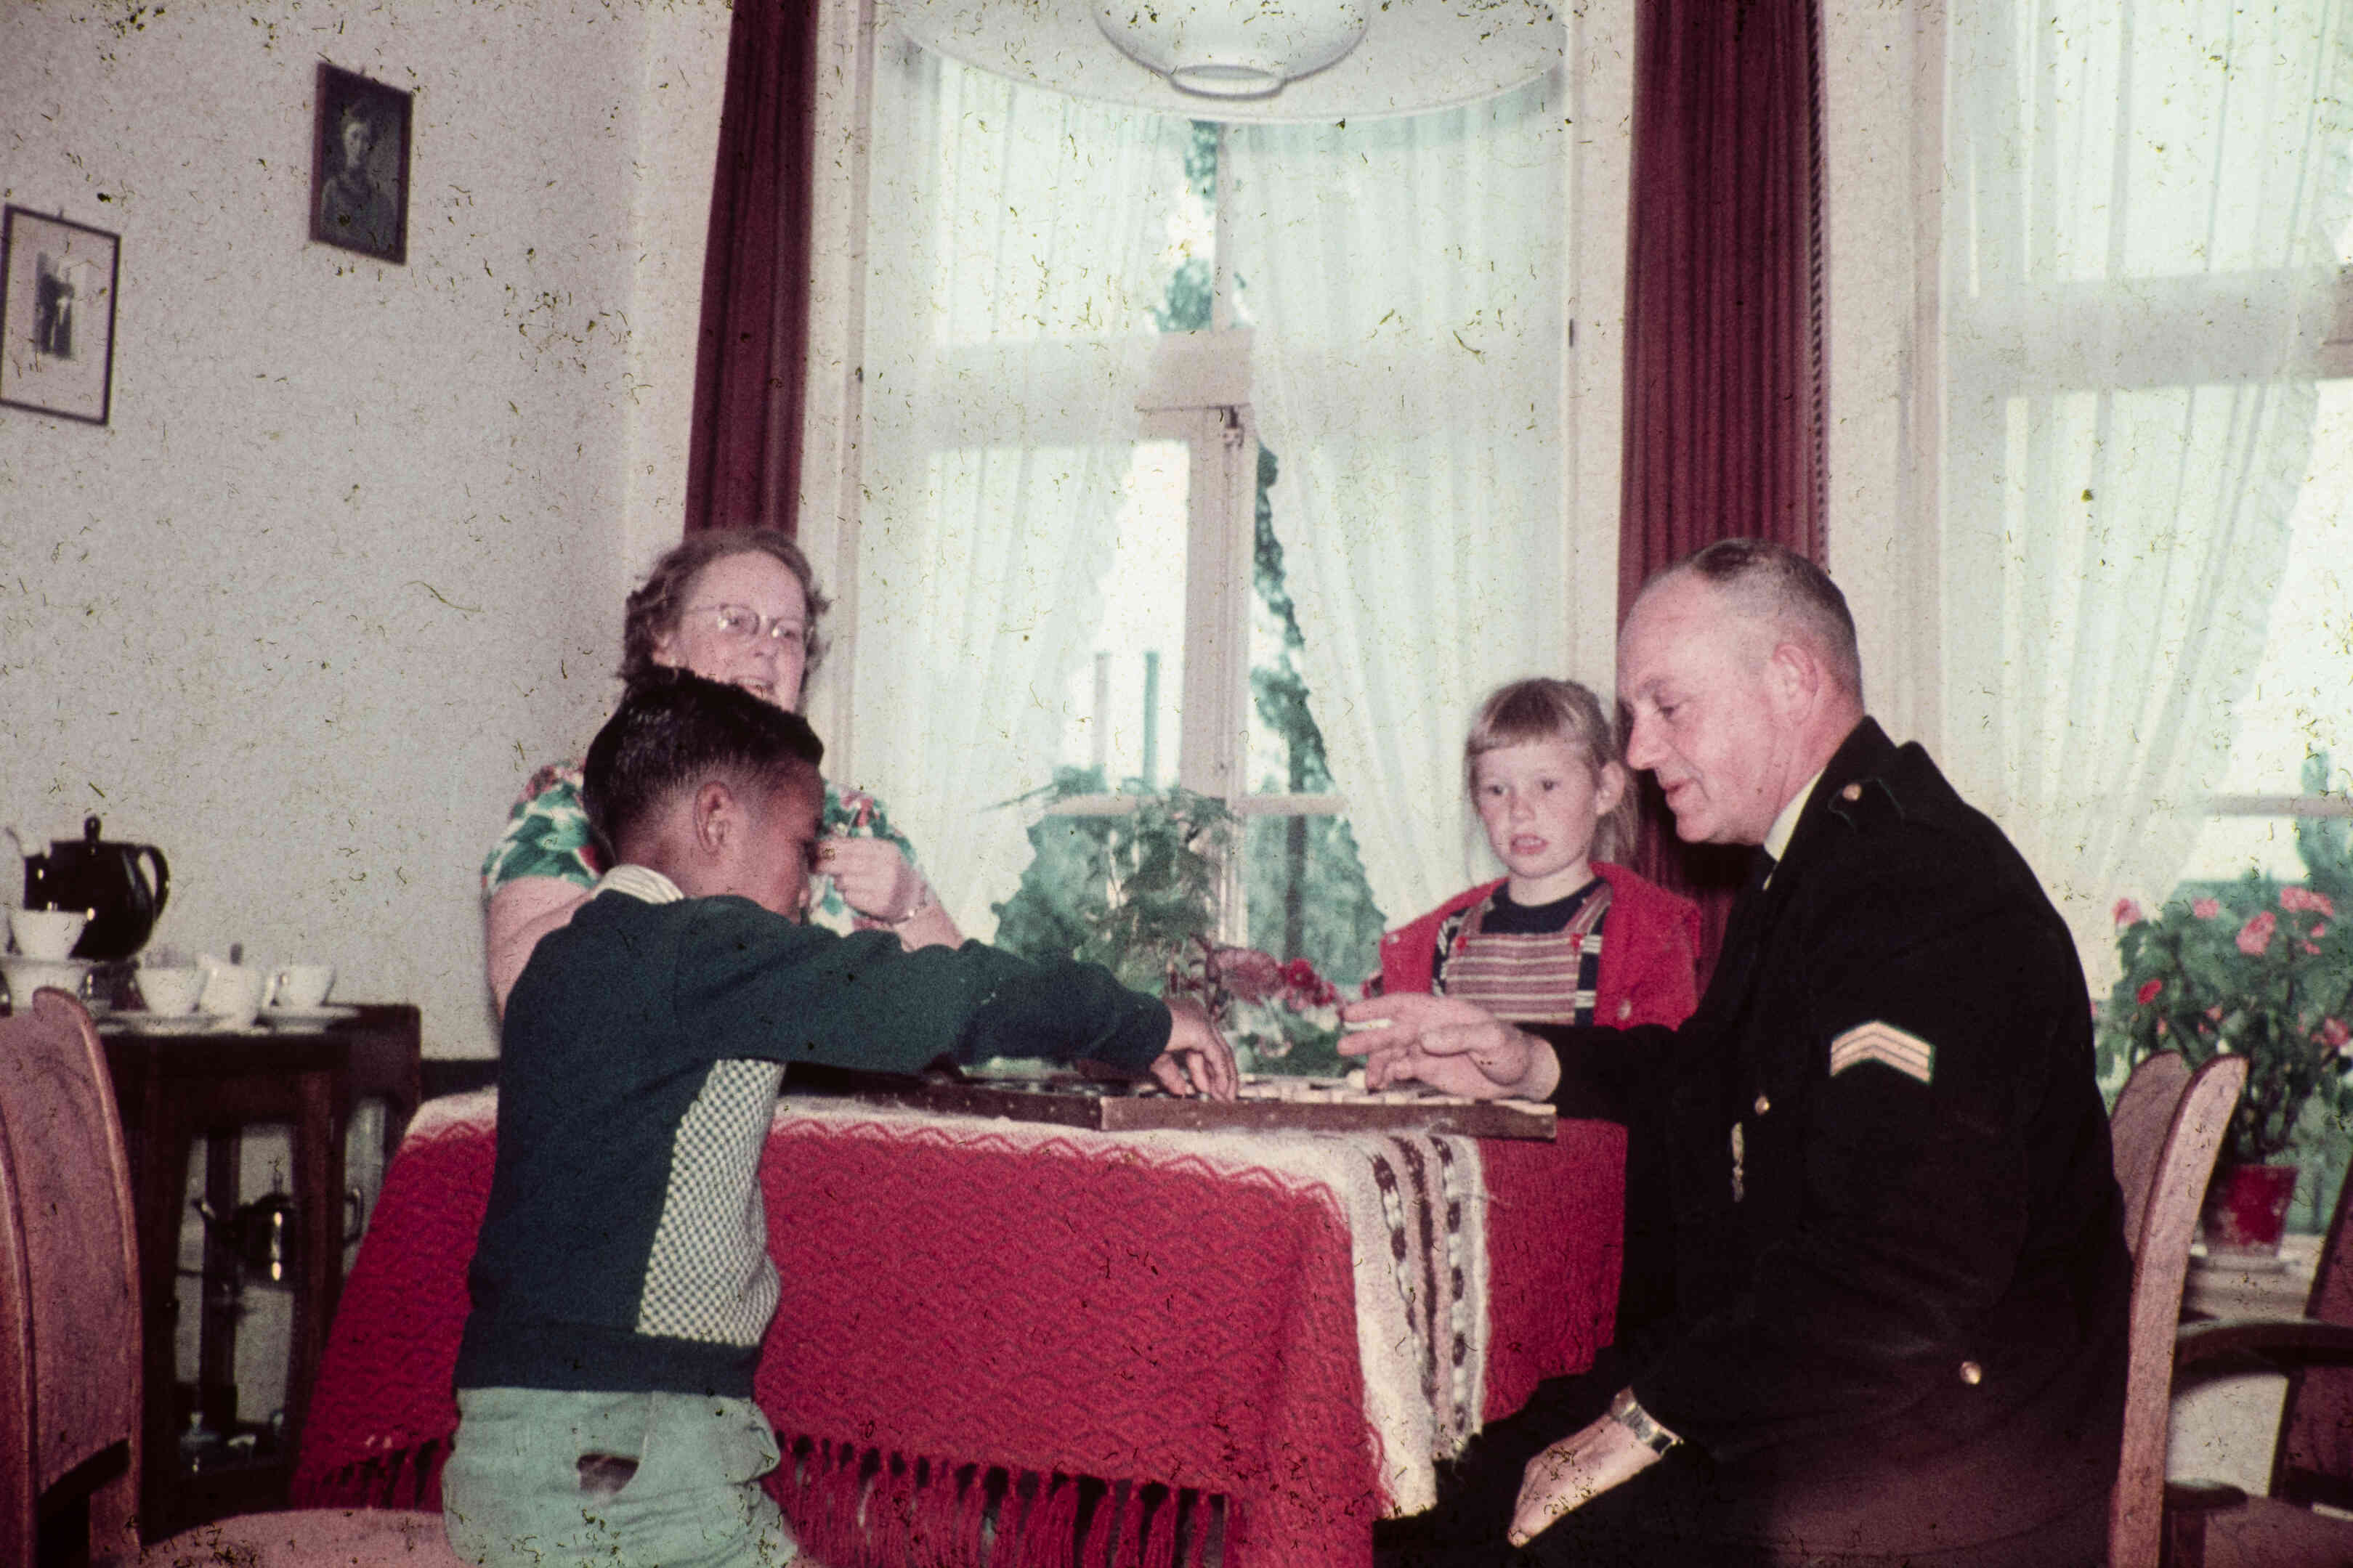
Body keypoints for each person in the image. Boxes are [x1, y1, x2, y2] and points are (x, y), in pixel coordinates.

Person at [1349, 540, 2130, 1567]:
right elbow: (1703, 1076)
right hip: (1848, 1385)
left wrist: (1642, 1418)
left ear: (1791, 679)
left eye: (1667, 706)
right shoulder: (1819, 864)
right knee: (1438, 1490)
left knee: (1481, 1530)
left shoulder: (1916, 889)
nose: (1634, 752)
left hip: (1945, 1443)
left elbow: (1898, 1272)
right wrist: (1525, 1058)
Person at [442, 670, 1238, 1568]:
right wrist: (1143, 1020)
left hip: (519, 1448)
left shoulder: (560, 960)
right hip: (626, 1460)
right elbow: (939, 997)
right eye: (801, 841)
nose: (801, 879)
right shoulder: (704, 950)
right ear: (715, 819)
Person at [483, 529, 960, 1015]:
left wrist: (911, 906)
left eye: (788, 632)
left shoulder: (854, 820)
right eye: (736, 621)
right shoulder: (573, 801)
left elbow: (982, 1040)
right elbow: (519, 994)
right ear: (663, 640)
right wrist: (664, 870)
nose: (766, 648)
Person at [1375, 676, 1701, 1347]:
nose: (1520, 811)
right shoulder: (1433, 938)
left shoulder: (1650, 928)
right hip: (1461, 1231)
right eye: (1497, 790)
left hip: (1589, 1240)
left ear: (1607, 789)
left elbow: (1670, 1085)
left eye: (1546, 786)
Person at [317, 101, 397, 255]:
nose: (359, 146)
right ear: (344, 140)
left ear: (371, 147)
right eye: (354, 136)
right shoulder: (332, 190)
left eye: (366, 139)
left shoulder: (382, 204)